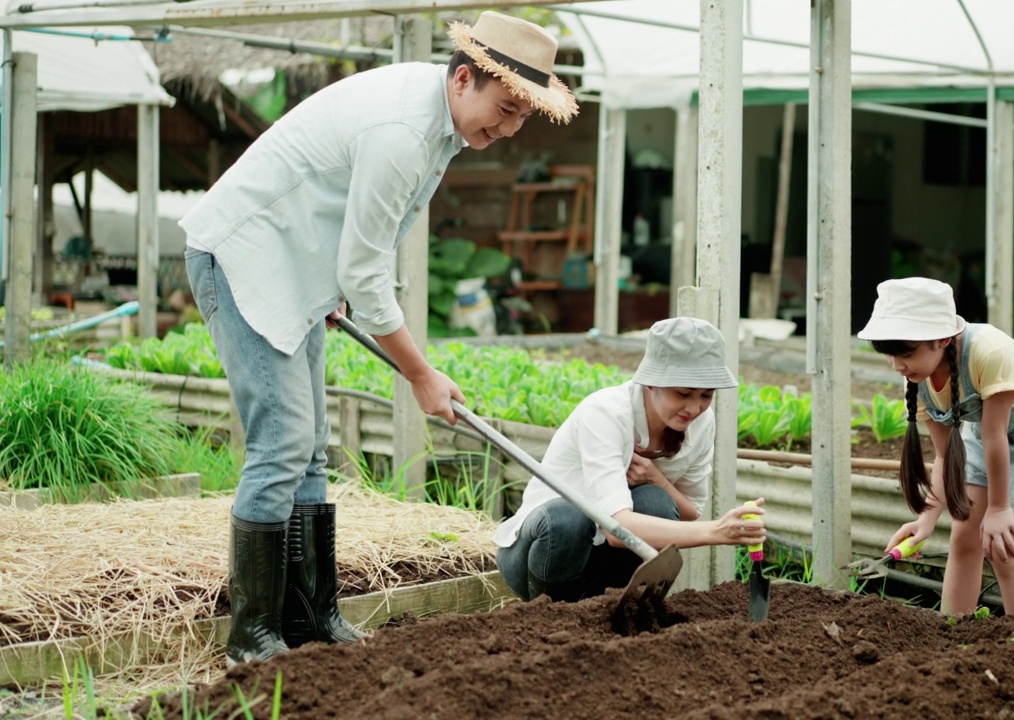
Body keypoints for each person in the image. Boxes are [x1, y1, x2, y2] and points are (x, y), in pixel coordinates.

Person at [180, 12, 579, 665]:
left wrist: (333, 294)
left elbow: (361, 234)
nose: (507, 128)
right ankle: (251, 636)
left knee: (308, 451)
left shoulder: (443, 125)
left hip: (294, 269)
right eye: (504, 108)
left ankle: (309, 619)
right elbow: (365, 271)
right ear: (463, 78)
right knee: (280, 445)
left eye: (521, 117)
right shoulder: (402, 129)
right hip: (243, 258)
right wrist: (421, 373)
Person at [495, 317, 767, 602]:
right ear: (651, 382)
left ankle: (618, 606)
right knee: (570, 516)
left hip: (601, 564)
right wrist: (717, 531)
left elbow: (688, 512)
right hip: (540, 555)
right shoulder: (606, 414)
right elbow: (615, 528)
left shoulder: (701, 423)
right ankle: (550, 614)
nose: (694, 407)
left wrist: (656, 478)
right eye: (683, 394)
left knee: (656, 501)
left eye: (706, 396)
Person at [856, 277, 1014, 621]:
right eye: (889, 354)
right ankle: (953, 635)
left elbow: (995, 436)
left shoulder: (989, 351)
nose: (897, 365)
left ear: (942, 338)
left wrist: (1000, 509)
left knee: (1003, 545)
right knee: (964, 536)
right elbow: (946, 455)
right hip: (987, 434)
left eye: (906, 353)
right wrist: (927, 519)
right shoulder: (917, 377)